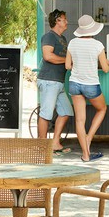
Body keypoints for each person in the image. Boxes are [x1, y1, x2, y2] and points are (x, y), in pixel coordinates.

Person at [64, 14, 109, 162]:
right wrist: (107, 62)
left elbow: (67, 66)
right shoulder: (97, 45)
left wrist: (78, 65)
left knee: (79, 120)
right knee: (102, 109)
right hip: (91, 84)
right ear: (93, 29)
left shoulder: (72, 43)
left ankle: (85, 155)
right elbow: (105, 69)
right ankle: (89, 137)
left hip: (74, 84)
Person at [37, 9, 73, 153]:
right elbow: (48, 56)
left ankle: (54, 142)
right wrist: (67, 61)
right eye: (64, 19)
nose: (67, 22)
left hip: (58, 82)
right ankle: (42, 146)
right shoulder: (49, 37)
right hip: (49, 81)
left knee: (65, 112)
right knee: (46, 114)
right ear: (57, 21)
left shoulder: (62, 39)